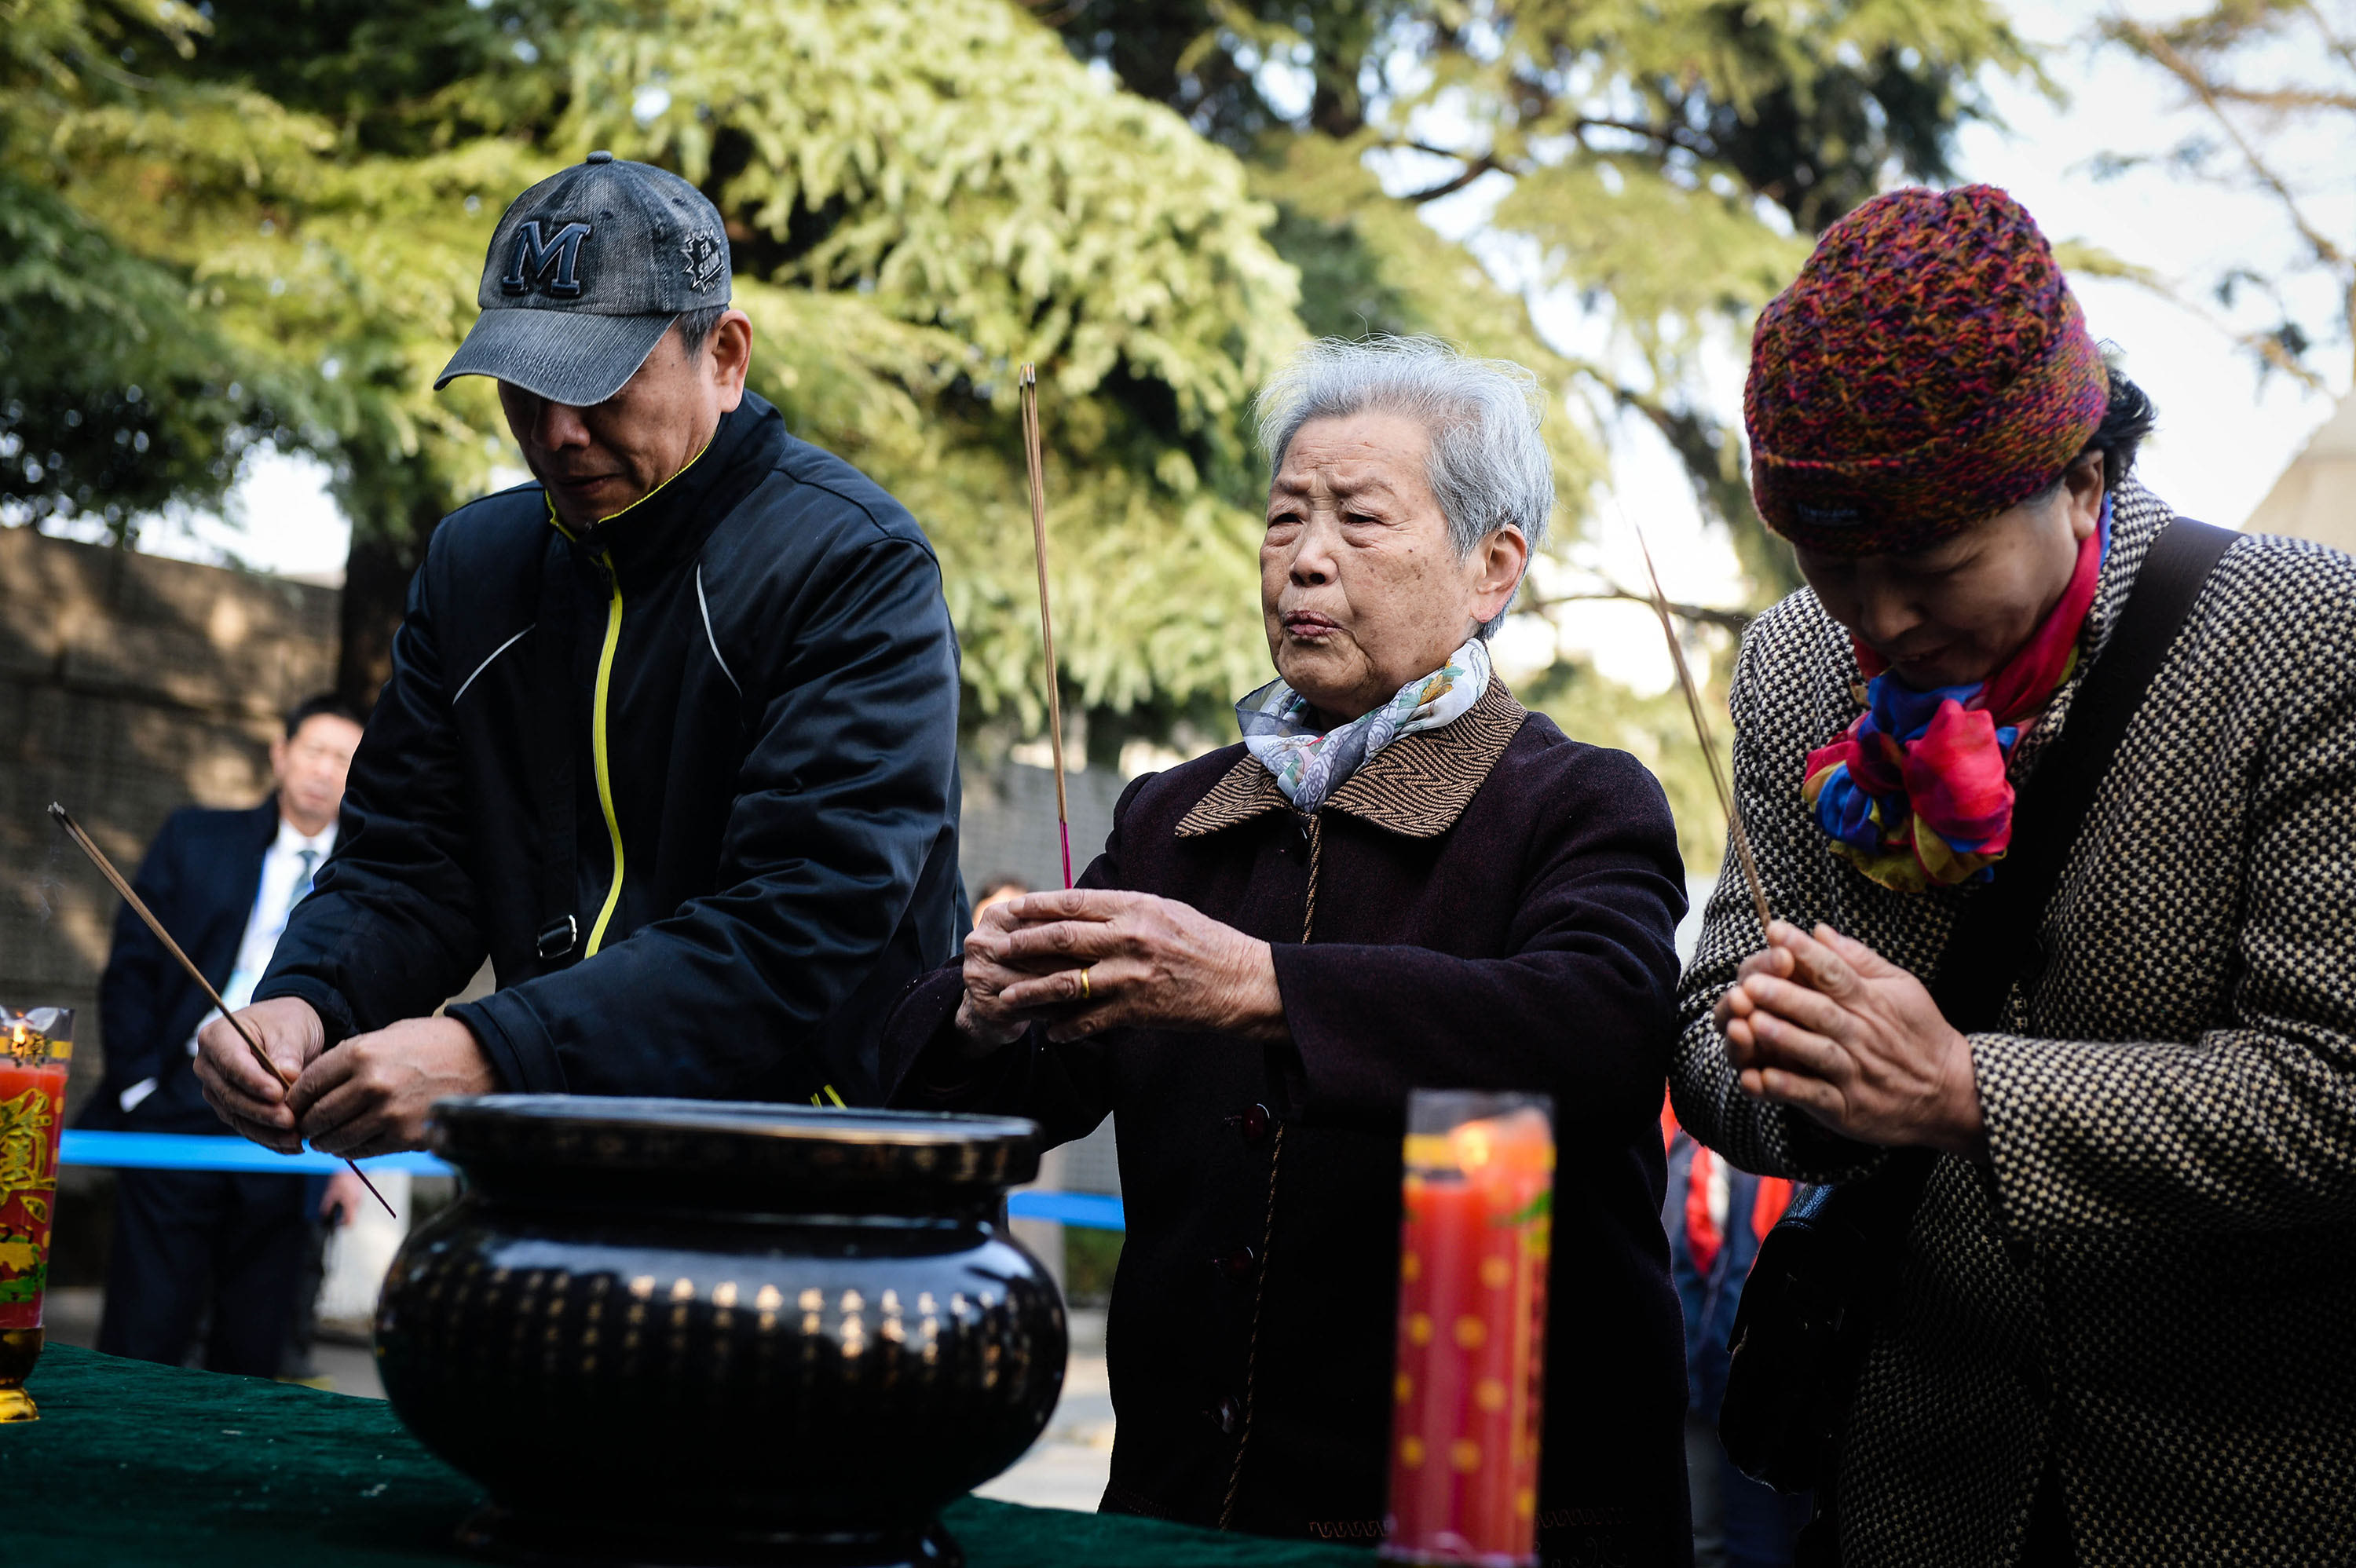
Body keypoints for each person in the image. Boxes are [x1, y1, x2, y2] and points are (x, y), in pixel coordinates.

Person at [888, 337, 1694, 1564]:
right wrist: (980, 1006)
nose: (1305, 558)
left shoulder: (1575, 801)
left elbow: (1596, 1031)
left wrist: (1261, 987)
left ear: (1494, 568)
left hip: (1477, 1523)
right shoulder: (1171, 815)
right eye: (1282, 519)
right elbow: (1010, 1092)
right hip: (1178, 1513)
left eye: (1359, 519)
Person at [1673, 185, 2356, 1566]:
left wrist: (1965, 1090)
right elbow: (1704, 1037)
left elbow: (2337, 1088)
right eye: (1832, 566)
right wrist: (1793, 1062)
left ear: (2083, 479)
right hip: (1914, 1487)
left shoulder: (2305, 637)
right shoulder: (1796, 661)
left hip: (2251, 1491)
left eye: (1929, 566)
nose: (1877, 622)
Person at [194, 152, 964, 1157]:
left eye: (600, 383)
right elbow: (406, 863)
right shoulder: (473, 568)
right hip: (553, 1170)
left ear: (724, 357)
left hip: (817, 1192)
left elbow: (804, 915)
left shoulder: (854, 563)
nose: (557, 432)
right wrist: (306, 998)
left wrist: (492, 1052)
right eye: (523, 384)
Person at [85, 693, 373, 1376]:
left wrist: (349, 1149)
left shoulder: (372, 883)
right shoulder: (195, 836)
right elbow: (129, 969)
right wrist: (140, 1090)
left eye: (346, 759)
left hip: (292, 1122)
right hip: (176, 1108)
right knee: (143, 1332)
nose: (325, 770)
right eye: (314, 750)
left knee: (256, 1345)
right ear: (280, 753)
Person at [1659, 1101, 1806, 1568]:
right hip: (1711, 1365)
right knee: (1714, 1534)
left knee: (1757, 1538)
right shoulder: (1685, 1141)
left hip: (1755, 1369)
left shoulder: (1771, 1149)